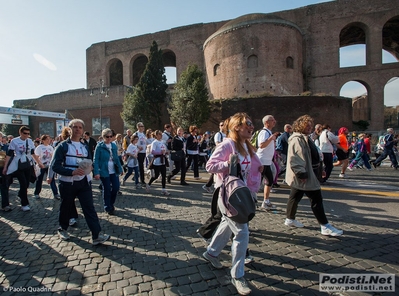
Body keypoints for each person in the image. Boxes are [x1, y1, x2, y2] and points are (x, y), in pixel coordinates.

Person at [202, 112, 262, 296]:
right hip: (227, 194)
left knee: (227, 225)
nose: (251, 127)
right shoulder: (227, 144)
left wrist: (254, 186)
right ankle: (238, 275)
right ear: (237, 127)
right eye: (248, 124)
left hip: (242, 193)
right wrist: (228, 164)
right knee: (242, 232)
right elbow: (210, 166)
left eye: (252, 124)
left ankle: (211, 253)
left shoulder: (248, 146)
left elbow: (254, 168)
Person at [51, 119, 110, 245]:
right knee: (66, 206)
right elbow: (55, 166)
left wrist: (91, 168)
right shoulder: (62, 146)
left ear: (83, 130)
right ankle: (62, 228)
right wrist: (71, 172)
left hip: (84, 182)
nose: (78, 129)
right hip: (67, 183)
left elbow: (89, 161)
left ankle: (96, 235)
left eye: (80, 127)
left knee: (89, 208)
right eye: (75, 127)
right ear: (70, 129)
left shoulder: (85, 146)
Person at [284, 114, 343, 237]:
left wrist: (320, 169)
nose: (310, 127)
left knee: (295, 197)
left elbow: (314, 155)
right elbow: (296, 158)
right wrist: (302, 174)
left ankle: (290, 219)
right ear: (300, 126)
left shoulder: (305, 137)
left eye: (311, 125)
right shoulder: (297, 139)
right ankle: (324, 225)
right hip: (305, 175)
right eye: (307, 125)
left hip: (309, 172)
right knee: (316, 199)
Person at [2, 126, 41, 212]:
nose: (26, 135)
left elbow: (32, 153)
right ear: (20, 133)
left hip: (27, 163)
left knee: (26, 183)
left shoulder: (30, 141)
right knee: (23, 183)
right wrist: (5, 167)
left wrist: (39, 162)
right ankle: (24, 203)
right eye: (25, 133)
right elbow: (9, 154)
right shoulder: (14, 141)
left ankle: (21, 194)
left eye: (28, 134)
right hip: (18, 164)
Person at [93, 128, 124, 215]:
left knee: (116, 187)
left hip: (114, 170)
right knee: (106, 189)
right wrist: (96, 172)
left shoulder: (113, 146)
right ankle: (107, 207)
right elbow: (96, 160)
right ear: (103, 137)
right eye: (107, 137)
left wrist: (120, 169)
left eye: (111, 136)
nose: (109, 138)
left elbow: (116, 158)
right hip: (104, 171)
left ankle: (111, 203)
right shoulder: (99, 146)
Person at [256, 115, 279, 210]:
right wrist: (271, 138)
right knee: (256, 182)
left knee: (269, 181)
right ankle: (251, 200)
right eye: (272, 120)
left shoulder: (269, 132)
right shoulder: (264, 132)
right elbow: (261, 145)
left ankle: (266, 201)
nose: (274, 121)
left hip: (267, 161)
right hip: (262, 161)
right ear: (266, 122)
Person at [34, 135, 59, 199]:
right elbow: (36, 156)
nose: (48, 141)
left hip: (49, 165)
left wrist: (52, 156)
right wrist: (39, 163)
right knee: (39, 180)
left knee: (51, 179)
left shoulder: (50, 147)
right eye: (47, 139)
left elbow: (53, 156)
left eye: (49, 139)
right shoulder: (39, 147)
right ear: (43, 140)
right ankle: (37, 193)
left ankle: (56, 193)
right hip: (42, 165)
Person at [146, 130, 170, 196]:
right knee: (156, 175)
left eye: (161, 134)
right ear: (156, 135)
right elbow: (152, 151)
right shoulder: (155, 142)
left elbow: (164, 149)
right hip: (157, 160)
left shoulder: (162, 142)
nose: (161, 136)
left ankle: (163, 189)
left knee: (164, 175)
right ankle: (149, 184)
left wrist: (166, 152)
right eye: (159, 134)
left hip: (163, 160)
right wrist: (160, 153)